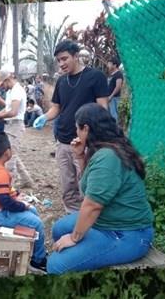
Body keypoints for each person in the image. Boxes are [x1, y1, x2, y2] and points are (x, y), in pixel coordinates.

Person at [47, 103, 154, 274]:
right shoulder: (105, 149)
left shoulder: (108, 158)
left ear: (86, 129)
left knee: (55, 265)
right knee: (59, 229)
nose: (76, 133)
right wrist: (80, 157)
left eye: (77, 128)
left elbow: (92, 205)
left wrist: (74, 238)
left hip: (127, 234)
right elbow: (87, 192)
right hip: (107, 221)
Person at [32, 40, 109, 212]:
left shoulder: (95, 77)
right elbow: (56, 108)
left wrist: (98, 136)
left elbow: (102, 108)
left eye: (65, 59)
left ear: (76, 56)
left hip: (85, 142)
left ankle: (89, 217)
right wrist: (44, 117)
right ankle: (72, 214)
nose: (61, 63)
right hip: (63, 140)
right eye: (58, 60)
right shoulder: (61, 81)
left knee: (87, 183)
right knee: (67, 184)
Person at [0, 132, 47, 273]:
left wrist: (16, 195)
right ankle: (38, 261)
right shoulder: (0, 172)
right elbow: (5, 202)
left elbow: (3, 192)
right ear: (7, 152)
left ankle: (34, 251)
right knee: (37, 223)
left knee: (33, 212)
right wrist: (23, 205)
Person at [0, 71, 33, 188]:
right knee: (12, 154)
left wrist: (0, 116)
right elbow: (7, 108)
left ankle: (10, 187)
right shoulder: (11, 91)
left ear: (7, 80)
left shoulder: (17, 90)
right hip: (10, 125)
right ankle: (26, 180)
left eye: (2, 84)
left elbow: (13, 112)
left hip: (16, 125)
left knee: (9, 158)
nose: (1, 87)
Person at [106, 57, 124, 122]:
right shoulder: (111, 75)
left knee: (114, 115)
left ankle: (115, 130)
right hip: (109, 98)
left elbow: (118, 87)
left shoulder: (118, 74)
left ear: (115, 65)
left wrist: (111, 96)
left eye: (110, 64)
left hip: (114, 98)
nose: (108, 65)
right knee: (109, 115)